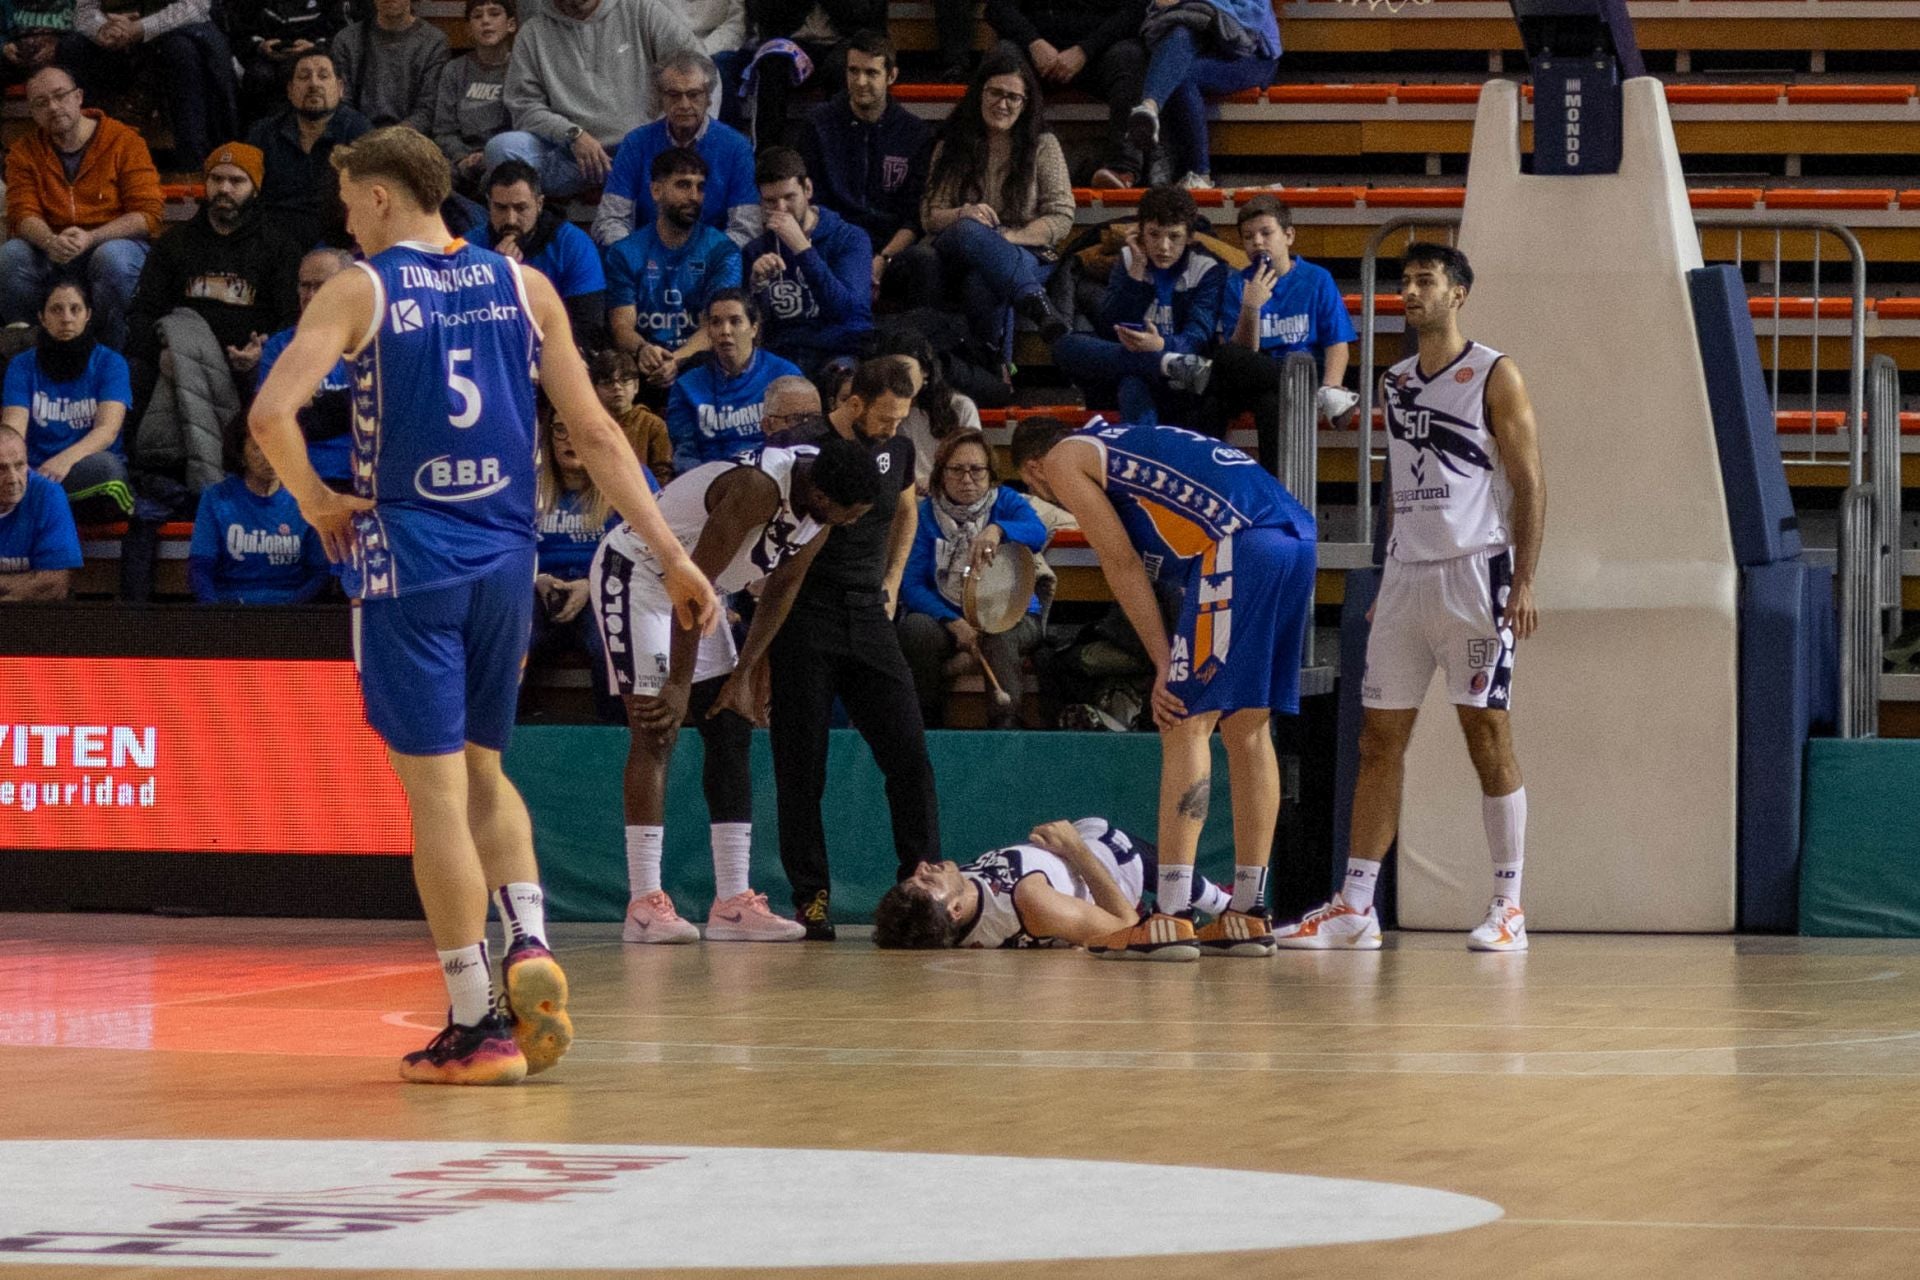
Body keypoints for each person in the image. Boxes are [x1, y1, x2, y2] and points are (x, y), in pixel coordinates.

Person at [249, 125, 718, 1085]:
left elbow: (267, 416)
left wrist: (316, 500)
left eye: (348, 201)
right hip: (506, 559)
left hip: (408, 560)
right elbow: (593, 429)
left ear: (382, 198)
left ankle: (476, 1023)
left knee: (433, 801)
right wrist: (674, 558)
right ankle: (531, 940)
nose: (344, 219)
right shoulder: (523, 283)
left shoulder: (359, 288)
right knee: (485, 770)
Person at [1275, 243, 1545, 954]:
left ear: (1458, 293)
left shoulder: (1494, 372)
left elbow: (1530, 482)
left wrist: (1524, 581)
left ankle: (1509, 905)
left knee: (1486, 737)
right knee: (1376, 742)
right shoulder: (1394, 381)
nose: (1411, 292)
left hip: (1476, 574)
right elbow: (1400, 485)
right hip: (1406, 579)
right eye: (1404, 281)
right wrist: (1389, 569)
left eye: (1426, 281)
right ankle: (1356, 906)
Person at [1021, 418, 1317, 959]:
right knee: (1249, 730)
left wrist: (1162, 662)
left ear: (1033, 469)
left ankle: (1172, 914)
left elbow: (1120, 562)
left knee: (1182, 720)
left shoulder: (1065, 458)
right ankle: (1248, 912)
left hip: (1239, 542)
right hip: (1294, 538)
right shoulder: (1126, 443)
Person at [594, 434, 880, 944]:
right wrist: (679, 683)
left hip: (699, 595)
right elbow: (689, 582)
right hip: (641, 579)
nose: (854, 521)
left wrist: (745, 673)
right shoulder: (756, 488)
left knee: (730, 725)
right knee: (657, 729)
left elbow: (782, 588)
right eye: (849, 512)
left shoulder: (819, 507)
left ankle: (730, 902)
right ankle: (644, 903)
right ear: (819, 497)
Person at [768, 355, 933, 939]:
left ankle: (923, 882)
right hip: (802, 614)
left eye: (901, 419)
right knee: (801, 767)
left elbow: (907, 509)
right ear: (852, 403)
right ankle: (811, 899)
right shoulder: (800, 446)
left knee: (909, 755)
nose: (892, 429)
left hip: (868, 613)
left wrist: (891, 582)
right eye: (884, 419)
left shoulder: (901, 449)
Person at [1162, 194, 1357, 472]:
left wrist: (1331, 386)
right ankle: (1203, 484)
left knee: (1258, 400)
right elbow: (1243, 352)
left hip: (1299, 370)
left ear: (1288, 235)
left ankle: (1274, 492)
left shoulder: (1316, 279)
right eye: (1248, 237)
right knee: (1225, 364)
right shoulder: (1237, 282)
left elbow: (1337, 343)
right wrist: (1251, 307)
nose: (1257, 243)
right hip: (1255, 375)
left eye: (1266, 233)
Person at [915, 47, 1073, 361]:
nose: (1003, 104)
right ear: (979, 93)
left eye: (1013, 97)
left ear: (1026, 103)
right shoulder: (953, 142)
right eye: (995, 93)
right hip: (958, 248)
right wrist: (964, 213)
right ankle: (1035, 302)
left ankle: (993, 368)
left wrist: (1010, 237)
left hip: (1024, 249)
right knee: (971, 230)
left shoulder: (1044, 145)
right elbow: (929, 216)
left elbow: (1060, 215)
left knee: (982, 283)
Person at [124, 143, 301, 421]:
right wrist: (162, 352)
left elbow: (291, 317)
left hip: (246, 361)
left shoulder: (279, 246)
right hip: (183, 358)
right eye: (216, 179)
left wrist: (263, 350)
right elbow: (145, 311)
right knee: (134, 368)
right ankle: (143, 459)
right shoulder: (174, 242)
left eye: (237, 180)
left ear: (255, 188)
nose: (225, 189)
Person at [874, 816, 1240, 950]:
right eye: (925, 881)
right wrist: (1078, 850)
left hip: (1080, 858)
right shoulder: (1030, 901)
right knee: (1116, 844)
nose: (923, 867)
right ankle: (1227, 907)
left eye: (916, 874)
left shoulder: (961, 902)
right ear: (954, 911)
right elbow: (1124, 926)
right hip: (1111, 871)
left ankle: (1214, 907)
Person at [0, 65, 160, 352]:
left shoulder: (124, 141)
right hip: (54, 248)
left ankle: (111, 356)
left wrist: (92, 237)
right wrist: (49, 241)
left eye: (60, 96)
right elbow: (22, 214)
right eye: (41, 103)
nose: (53, 106)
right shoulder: (23, 152)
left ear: (79, 97)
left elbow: (147, 216)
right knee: (11, 255)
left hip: (112, 244)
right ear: (32, 112)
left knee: (112, 259)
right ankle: (29, 355)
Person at [897, 429, 1046, 730]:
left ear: (990, 473)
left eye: (976, 470)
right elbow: (910, 584)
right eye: (956, 470)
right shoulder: (925, 515)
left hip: (1010, 613)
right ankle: (927, 721)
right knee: (915, 629)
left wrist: (999, 530)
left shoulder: (1006, 501)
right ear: (941, 475)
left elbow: (1038, 532)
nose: (967, 479)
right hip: (948, 620)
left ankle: (1006, 724)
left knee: (1000, 633)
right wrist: (952, 621)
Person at [486, 0, 702, 201]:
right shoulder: (533, 33)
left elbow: (699, 69)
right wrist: (572, 135)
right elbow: (524, 106)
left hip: (642, 150)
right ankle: (532, 228)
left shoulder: (643, 10)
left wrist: (678, 135)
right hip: (570, 156)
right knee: (502, 148)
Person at [1052, 183, 1224, 427]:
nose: (1163, 247)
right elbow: (1109, 324)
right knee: (1065, 345)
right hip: (1160, 367)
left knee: (1132, 380)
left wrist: (1160, 345)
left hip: (1184, 381)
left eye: (1174, 236)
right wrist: (1136, 274)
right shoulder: (1131, 260)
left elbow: (1197, 338)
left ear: (1189, 238)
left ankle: (1160, 367)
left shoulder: (1206, 269)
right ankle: (1162, 365)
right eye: (1154, 234)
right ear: (1140, 233)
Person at [528, 396, 653, 717]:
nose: (570, 438)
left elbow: (648, 549)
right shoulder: (528, 481)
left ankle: (613, 736)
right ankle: (507, 738)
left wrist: (591, 584)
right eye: (560, 429)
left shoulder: (630, 477)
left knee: (608, 644)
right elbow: (508, 542)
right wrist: (535, 578)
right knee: (510, 639)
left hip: (610, 587)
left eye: (579, 429)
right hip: (540, 586)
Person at [792, 29, 930, 298]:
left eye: (871, 73)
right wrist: (852, 256)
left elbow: (914, 216)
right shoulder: (818, 125)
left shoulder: (915, 134)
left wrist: (883, 259)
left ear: (891, 76)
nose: (860, 81)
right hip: (834, 241)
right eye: (853, 71)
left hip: (890, 248)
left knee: (925, 261)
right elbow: (810, 200)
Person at [604, 147, 741, 392]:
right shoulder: (625, 252)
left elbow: (718, 325)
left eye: (700, 187)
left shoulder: (722, 250)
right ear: (656, 191)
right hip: (645, 364)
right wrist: (643, 350)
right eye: (683, 185)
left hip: (701, 363)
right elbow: (621, 326)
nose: (694, 196)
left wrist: (677, 360)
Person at [591, 50, 758, 250]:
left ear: (709, 98)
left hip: (711, 265)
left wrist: (701, 262)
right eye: (674, 95)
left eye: (694, 95)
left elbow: (746, 229)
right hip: (645, 262)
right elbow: (610, 220)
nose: (684, 104)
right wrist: (634, 257)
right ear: (661, 98)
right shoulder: (636, 143)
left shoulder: (736, 147)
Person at [2, 281, 133, 522]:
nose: (67, 319)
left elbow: (107, 431)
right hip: (33, 472)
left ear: (88, 315)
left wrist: (64, 461)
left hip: (86, 468)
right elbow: (13, 431)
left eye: (75, 309)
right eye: (56, 310)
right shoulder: (21, 365)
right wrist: (22, 474)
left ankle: (38, 508)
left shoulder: (111, 363)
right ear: (42, 317)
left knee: (110, 473)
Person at [984, 0, 1148, 188]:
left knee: (1130, 56)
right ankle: (996, 163)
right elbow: (997, 7)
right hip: (1036, 55)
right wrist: (1033, 42)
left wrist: (1085, 50)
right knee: (1003, 56)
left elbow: (1136, 11)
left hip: (1098, 54)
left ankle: (1122, 169)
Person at [742, 146, 871, 375]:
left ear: (807, 189)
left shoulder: (850, 238)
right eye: (770, 201)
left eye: (789, 197)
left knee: (841, 376)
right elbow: (755, 332)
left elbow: (849, 312)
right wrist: (756, 287)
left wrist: (802, 248)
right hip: (784, 354)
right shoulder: (757, 250)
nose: (781, 209)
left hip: (839, 349)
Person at [1127, 0, 1280, 190]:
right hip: (1197, 47)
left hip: (1253, 54)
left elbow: (1251, 17)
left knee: (1179, 73)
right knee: (1181, 33)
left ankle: (1200, 172)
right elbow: (1158, 8)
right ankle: (1148, 108)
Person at [71, 0, 236, 165]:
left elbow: (196, 6)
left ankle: (194, 161)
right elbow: (85, 11)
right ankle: (84, 160)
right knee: (73, 48)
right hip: (113, 35)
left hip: (173, 30)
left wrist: (141, 28)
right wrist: (102, 29)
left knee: (181, 51)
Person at [247, 50, 372, 250]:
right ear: (289, 90)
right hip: (273, 245)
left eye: (323, 76)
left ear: (340, 88)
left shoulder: (360, 133)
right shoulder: (263, 133)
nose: (314, 84)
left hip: (338, 246)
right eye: (304, 77)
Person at [187, 429, 330, 603]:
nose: (269, 456)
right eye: (259, 447)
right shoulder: (216, 498)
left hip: (290, 613)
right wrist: (216, 616)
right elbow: (200, 568)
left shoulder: (306, 499)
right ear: (241, 455)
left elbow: (320, 572)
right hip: (230, 609)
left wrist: (290, 610)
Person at [473, 159, 606, 346]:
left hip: (558, 352)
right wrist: (496, 278)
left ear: (540, 203)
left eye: (521, 208)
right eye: (501, 208)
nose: (510, 219)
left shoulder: (572, 244)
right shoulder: (470, 247)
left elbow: (588, 326)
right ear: (489, 204)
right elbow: (461, 322)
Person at [666, 289, 801, 473]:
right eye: (716, 323)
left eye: (735, 321)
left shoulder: (786, 377)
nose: (725, 331)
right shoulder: (686, 386)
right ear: (709, 332)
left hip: (772, 478)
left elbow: (799, 444)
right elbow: (685, 454)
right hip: (708, 484)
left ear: (754, 328)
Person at [257, 247, 356, 491]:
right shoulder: (279, 347)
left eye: (320, 286)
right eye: (305, 285)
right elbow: (273, 418)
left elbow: (373, 413)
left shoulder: (369, 344)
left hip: (355, 476)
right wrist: (343, 404)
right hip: (295, 480)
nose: (310, 295)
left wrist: (314, 404)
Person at [743, 0, 883, 149]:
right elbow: (761, 11)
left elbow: (866, 14)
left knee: (844, 67)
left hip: (846, 40)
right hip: (791, 40)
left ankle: (843, 155)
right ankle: (767, 156)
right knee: (771, 63)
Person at [872, 327, 979, 491]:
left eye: (904, 368)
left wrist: (936, 483)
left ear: (926, 370)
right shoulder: (877, 410)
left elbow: (973, 465)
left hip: (950, 497)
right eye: (890, 370)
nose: (897, 378)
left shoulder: (960, 407)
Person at [433, 0, 517, 199]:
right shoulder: (454, 70)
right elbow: (443, 130)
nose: (485, 21)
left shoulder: (520, 68)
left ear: (511, 25)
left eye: (494, 14)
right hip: (461, 159)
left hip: (505, 156)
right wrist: (462, 158)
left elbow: (525, 123)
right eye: (477, 16)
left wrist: (489, 155)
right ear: (469, 29)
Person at [332, 0, 448, 135]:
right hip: (357, 139)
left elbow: (429, 109)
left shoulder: (434, 42)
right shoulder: (347, 40)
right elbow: (342, 102)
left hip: (413, 142)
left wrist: (391, 139)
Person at [232, 0, 350, 124]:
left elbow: (341, 34)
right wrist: (260, 46)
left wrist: (314, 48)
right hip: (267, 65)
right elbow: (239, 34)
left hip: (317, 58)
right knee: (259, 75)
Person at [0, 426, 81, 600]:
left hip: (32, 617)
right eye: (1, 469)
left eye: (20, 465)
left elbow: (54, 583)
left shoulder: (48, 494)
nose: (14, 479)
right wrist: (29, 580)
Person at [591, 348, 674, 487]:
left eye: (624, 380)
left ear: (636, 386)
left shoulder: (653, 425)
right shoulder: (591, 424)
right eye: (607, 382)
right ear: (595, 389)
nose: (617, 387)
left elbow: (663, 474)